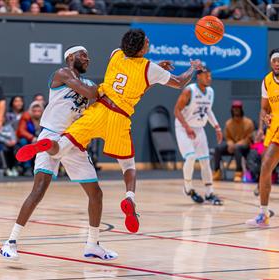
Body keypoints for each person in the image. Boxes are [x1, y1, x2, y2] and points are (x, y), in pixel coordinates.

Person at [16, 29, 202, 233]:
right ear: (141, 48)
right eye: (147, 42)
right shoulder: (149, 68)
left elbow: (134, 77)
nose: (149, 44)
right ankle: (130, 197)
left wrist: (155, 70)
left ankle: (46, 144)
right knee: (128, 165)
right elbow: (179, 82)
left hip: (99, 110)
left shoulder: (116, 54)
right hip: (120, 118)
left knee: (60, 147)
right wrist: (192, 68)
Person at [0, 46, 117, 260]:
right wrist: (102, 90)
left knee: (96, 193)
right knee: (39, 190)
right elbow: (92, 93)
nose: (87, 59)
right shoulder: (62, 73)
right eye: (83, 55)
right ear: (70, 57)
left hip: (73, 139)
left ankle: (93, 244)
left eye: (88, 56)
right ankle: (10, 241)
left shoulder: (89, 82)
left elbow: (103, 95)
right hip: (51, 133)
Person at [246, 48, 279, 227]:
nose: (277, 63)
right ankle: (263, 214)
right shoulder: (267, 81)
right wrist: (264, 119)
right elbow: (264, 108)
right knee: (265, 167)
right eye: (274, 61)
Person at [174, 67, 223, 205]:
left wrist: (217, 127)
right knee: (190, 157)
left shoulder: (210, 92)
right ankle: (188, 187)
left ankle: (209, 193)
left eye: (210, 75)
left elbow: (208, 111)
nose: (209, 78)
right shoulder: (189, 90)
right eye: (207, 76)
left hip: (199, 129)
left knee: (205, 161)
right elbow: (176, 110)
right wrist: (186, 127)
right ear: (199, 77)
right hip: (183, 128)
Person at [212, 100, 254, 182]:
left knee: (238, 148)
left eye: (238, 108)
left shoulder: (248, 122)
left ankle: (238, 173)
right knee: (218, 148)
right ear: (232, 110)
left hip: (244, 147)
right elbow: (227, 137)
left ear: (241, 109)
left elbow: (248, 138)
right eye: (234, 108)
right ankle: (217, 172)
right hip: (232, 146)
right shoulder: (228, 123)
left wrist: (236, 145)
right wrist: (230, 144)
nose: (236, 110)